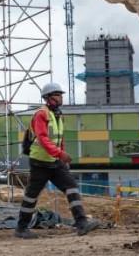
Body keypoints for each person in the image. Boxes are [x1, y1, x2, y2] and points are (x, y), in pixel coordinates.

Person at [15, 82, 100, 239]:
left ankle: (82, 223)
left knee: (71, 187)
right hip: (39, 162)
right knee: (31, 195)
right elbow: (42, 138)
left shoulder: (58, 115)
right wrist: (60, 153)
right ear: (48, 98)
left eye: (61, 95)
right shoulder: (41, 114)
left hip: (55, 162)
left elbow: (59, 138)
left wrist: (61, 155)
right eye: (57, 95)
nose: (61, 98)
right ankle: (21, 228)